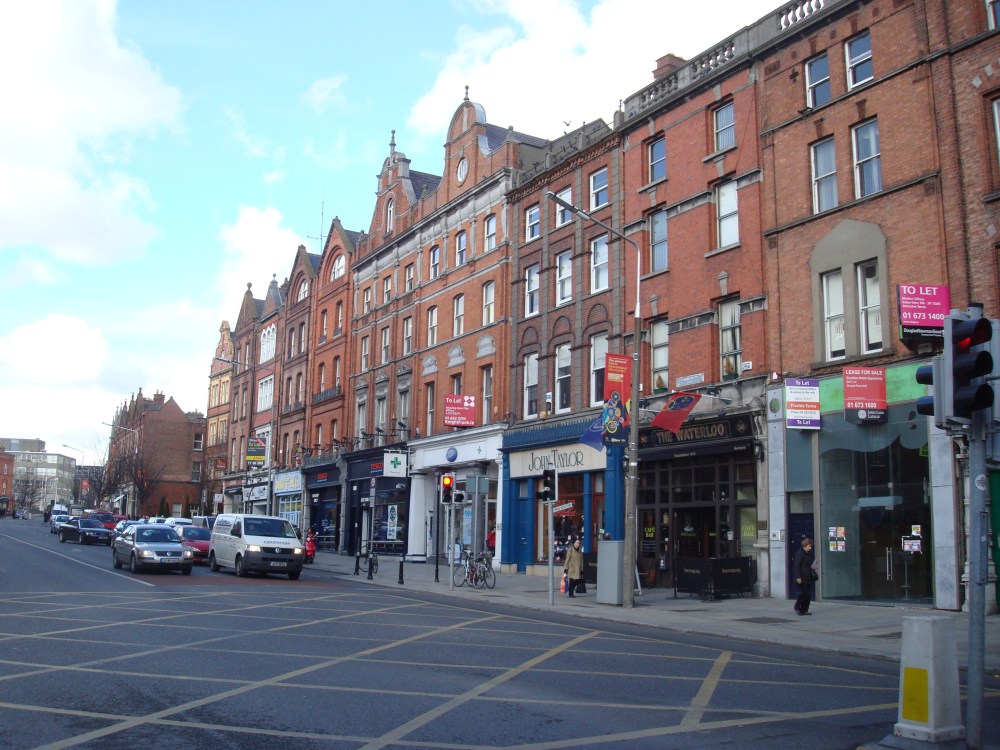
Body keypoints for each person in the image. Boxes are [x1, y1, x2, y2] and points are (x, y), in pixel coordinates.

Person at [793, 538, 815, 615]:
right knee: (805, 593)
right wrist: (798, 577)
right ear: (805, 545)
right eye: (809, 546)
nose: (810, 548)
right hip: (801, 577)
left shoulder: (810, 554)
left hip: (808, 576)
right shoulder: (799, 553)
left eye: (810, 546)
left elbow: (811, 564)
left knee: (808, 595)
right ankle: (797, 606)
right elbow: (797, 566)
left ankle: (805, 609)